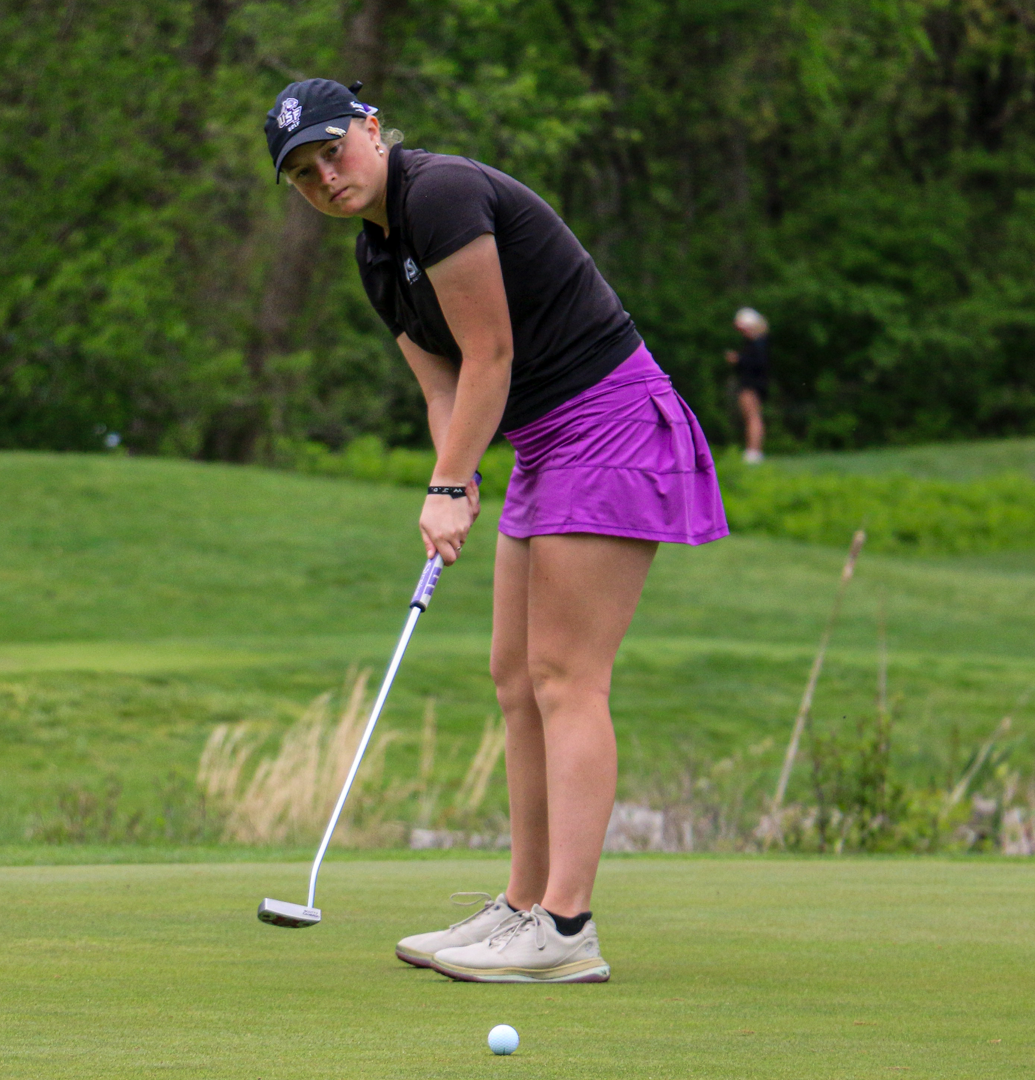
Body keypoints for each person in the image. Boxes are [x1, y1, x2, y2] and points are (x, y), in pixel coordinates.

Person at [264, 79, 727, 983]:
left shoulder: (437, 194)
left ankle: (565, 927)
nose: (325, 175)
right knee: (514, 675)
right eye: (302, 172)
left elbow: (492, 354)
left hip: (608, 421)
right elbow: (445, 388)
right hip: (544, 442)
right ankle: (522, 907)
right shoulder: (374, 254)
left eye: (332, 150)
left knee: (566, 677)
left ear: (369, 129)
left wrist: (444, 482)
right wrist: (462, 469)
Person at [723, 307, 770, 464]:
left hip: (751, 385)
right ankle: (753, 451)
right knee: (751, 416)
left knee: (752, 416)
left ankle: (754, 452)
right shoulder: (755, 342)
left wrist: (739, 360)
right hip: (752, 384)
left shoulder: (757, 343)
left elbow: (759, 364)